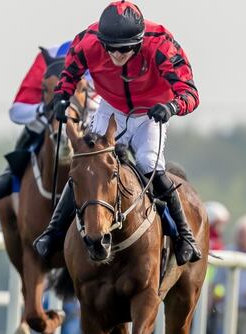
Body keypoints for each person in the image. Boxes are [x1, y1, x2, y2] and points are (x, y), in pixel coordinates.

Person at [33, 0, 202, 266]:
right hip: (111, 107)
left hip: (150, 113)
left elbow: (190, 93)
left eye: (124, 49)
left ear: (139, 42)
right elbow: (70, 72)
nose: (116, 55)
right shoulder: (87, 42)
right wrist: (62, 97)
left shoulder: (161, 44)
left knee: (148, 164)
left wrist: (172, 107)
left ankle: (184, 235)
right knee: (89, 162)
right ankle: (53, 232)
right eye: (110, 48)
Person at [0, 41, 89, 199]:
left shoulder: (105, 53)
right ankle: (11, 172)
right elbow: (16, 111)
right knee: (34, 125)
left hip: (88, 113)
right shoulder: (46, 58)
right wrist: (44, 109)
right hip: (51, 116)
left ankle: (131, 165)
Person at [204, 201, 230, 334]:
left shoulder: (218, 243)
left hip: (212, 299)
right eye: (220, 224)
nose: (222, 228)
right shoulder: (209, 241)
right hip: (202, 296)